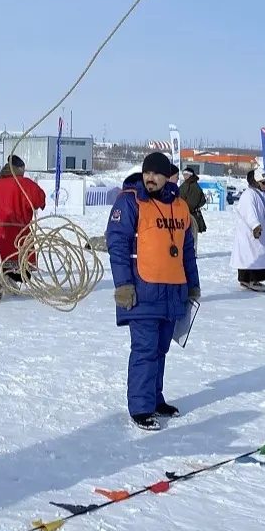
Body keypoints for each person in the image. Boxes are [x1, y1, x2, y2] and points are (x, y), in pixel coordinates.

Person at [107, 152, 199, 431]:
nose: (150, 178)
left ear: (167, 176)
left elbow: (186, 251)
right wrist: (123, 284)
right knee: (145, 350)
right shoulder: (130, 201)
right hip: (142, 292)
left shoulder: (180, 206)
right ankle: (140, 407)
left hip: (172, 292)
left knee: (160, 350)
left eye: (156, 173)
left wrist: (192, 285)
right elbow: (118, 244)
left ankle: (155, 399)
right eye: (147, 172)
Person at [0, 155, 47, 293]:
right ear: (19, 168)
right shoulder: (24, 183)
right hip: (20, 232)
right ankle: (12, 284)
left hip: (0, 231)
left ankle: (3, 284)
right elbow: (39, 199)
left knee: (2, 262)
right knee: (20, 263)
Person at [231, 168, 265, 292]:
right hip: (250, 233)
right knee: (251, 256)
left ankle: (252, 279)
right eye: (263, 183)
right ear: (255, 182)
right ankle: (249, 279)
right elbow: (249, 212)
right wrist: (255, 226)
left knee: (261, 254)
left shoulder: (264, 194)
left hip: (264, 231)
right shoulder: (248, 195)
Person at [178, 167, 208, 235]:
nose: (184, 176)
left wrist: (186, 210)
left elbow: (193, 202)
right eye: (184, 174)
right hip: (187, 214)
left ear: (190, 175)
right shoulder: (187, 184)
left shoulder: (193, 185)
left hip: (190, 215)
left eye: (186, 174)